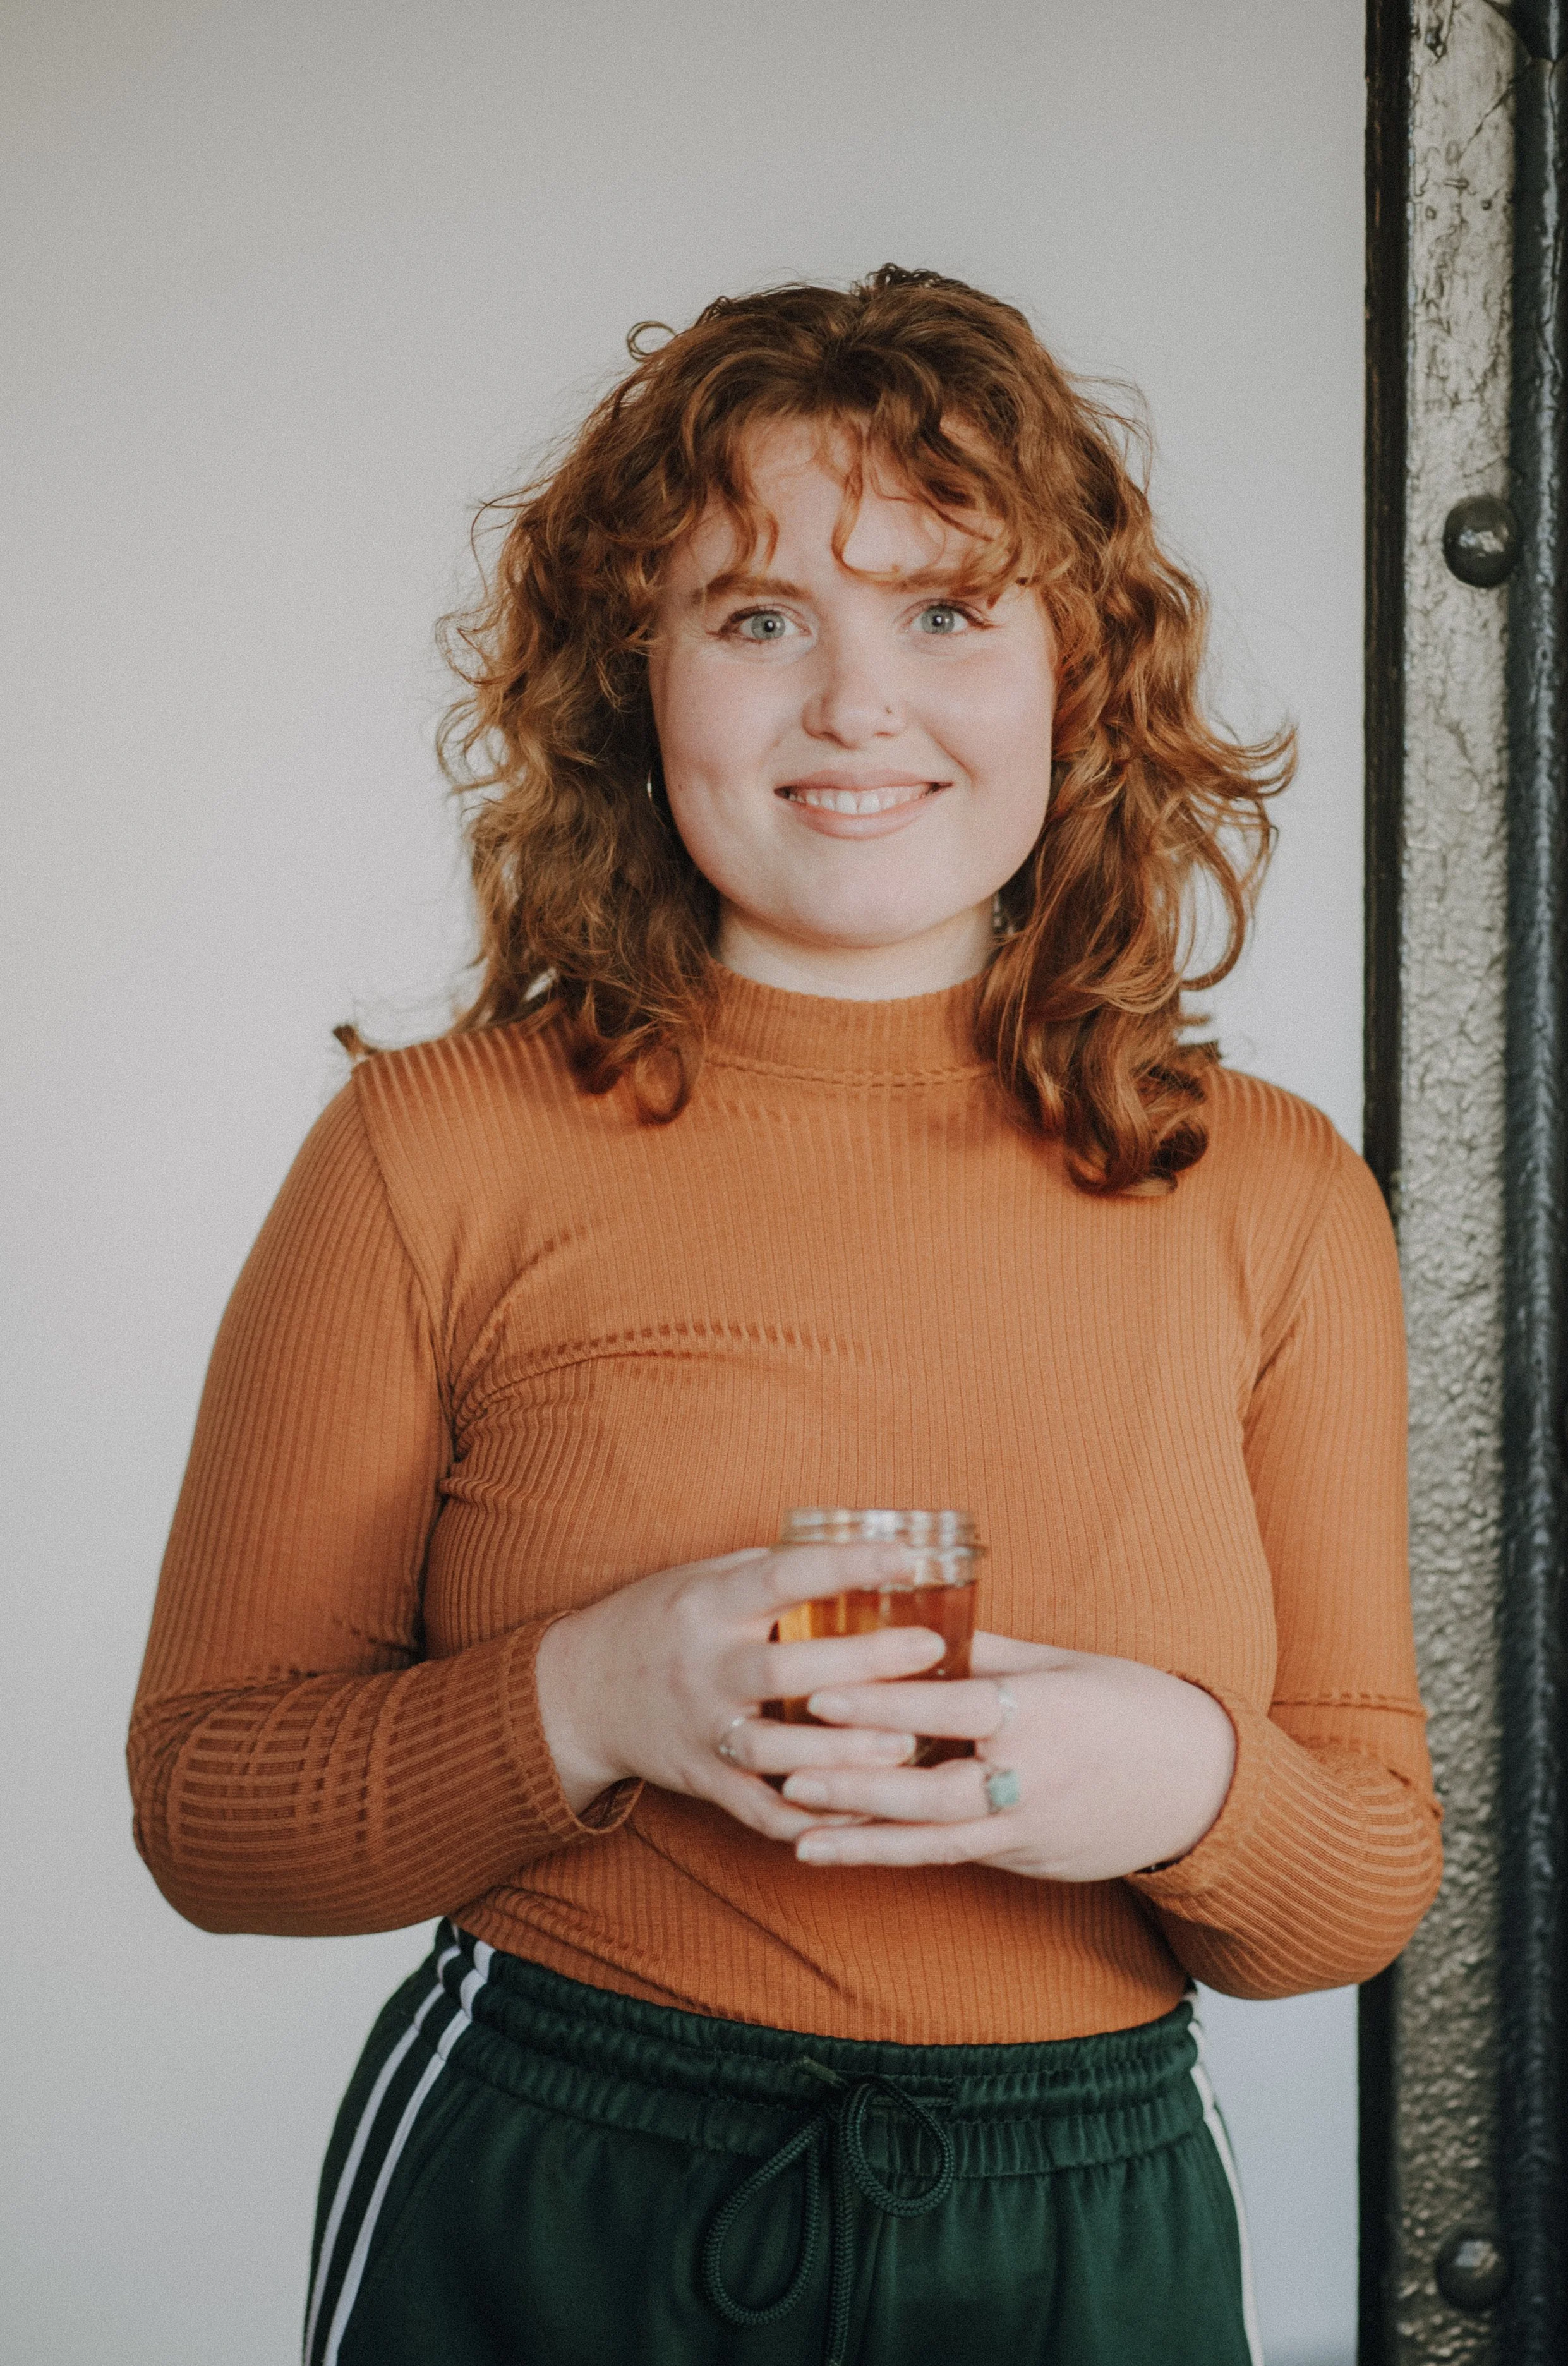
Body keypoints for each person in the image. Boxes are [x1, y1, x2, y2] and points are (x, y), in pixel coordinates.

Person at [129, 266, 1442, 2366]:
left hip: (1084, 2230)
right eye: (757, 617)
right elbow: (209, 1809)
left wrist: (1184, 1783)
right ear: (631, 680)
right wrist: (592, 1698)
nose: (853, 705)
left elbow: (1359, 1878)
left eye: (944, 610)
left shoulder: (1273, 1193)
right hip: (560, 2177)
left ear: (1075, 682)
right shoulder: (427, 1151)